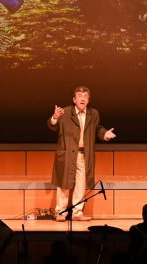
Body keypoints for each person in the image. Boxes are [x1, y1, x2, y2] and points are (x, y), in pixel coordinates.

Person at [47, 85, 116, 221]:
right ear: (74, 99)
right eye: (80, 96)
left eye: (85, 96)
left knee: (80, 184)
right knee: (64, 183)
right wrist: (55, 117)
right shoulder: (65, 112)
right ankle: (60, 212)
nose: (82, 99)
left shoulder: (93, 113)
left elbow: (97, 129)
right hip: (67, 154)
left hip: (84, 154)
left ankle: (77, 213)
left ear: (88, 100)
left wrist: (105, 134)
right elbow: (52, 126)